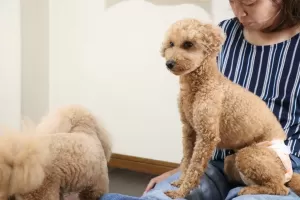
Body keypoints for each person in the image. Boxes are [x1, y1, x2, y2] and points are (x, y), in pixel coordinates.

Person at [100, 0, 300, 200]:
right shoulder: (223, 33)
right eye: (232, 1)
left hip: (280, 165)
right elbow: (200, 123)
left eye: (249, 2)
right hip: (215, 161)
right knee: (162, 196)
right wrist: (181, 169)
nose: (239, 12)